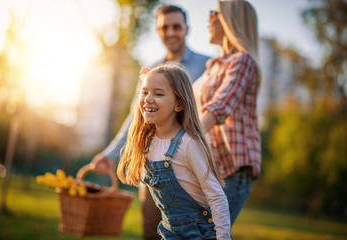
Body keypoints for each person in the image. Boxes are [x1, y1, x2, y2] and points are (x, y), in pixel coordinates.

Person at [89, 5, 210, 240]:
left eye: (176, 26)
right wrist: (110, 155)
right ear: (158, 30)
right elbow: (136, 117)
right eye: (165, 27)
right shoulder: (150, 70)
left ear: (186, 29)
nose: (171, 32)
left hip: (191, 170)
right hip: (154, 169)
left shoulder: (207, 65)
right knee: (151, 233)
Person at [117, 63, 231, 239]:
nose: (147, 99)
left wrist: (224, 238)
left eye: (159, 94)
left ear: (179, 104)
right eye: (145, 92)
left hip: (199, 233)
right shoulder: (147, 142)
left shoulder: (188, 144)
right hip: (169, 232)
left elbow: (217, 196)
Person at [193, 0, 261, 226]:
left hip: (232, 169)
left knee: (208, 233)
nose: (209, 18)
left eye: (216, 13)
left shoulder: (242, 61)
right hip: (211, 167)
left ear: (231, 21)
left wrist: (186, 140)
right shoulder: (213, 66)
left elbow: (220, 105)